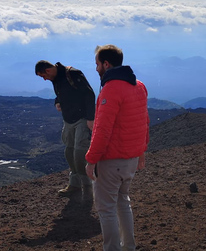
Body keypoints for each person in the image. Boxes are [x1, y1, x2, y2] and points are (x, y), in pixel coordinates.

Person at [84, 45, 149, 251]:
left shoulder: (111, 89)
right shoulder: (138, 86)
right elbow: (144, 122)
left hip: (112, 161)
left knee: (106, 209)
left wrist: (91, 160)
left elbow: (102, 130)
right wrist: (141, 152)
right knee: (123, 201)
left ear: (106, 64)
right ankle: (129, 247)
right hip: (130, 159)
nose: (95, 69)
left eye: (97, 64)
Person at [35, 59, 96, 197]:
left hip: (82, 118)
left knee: (79, 153)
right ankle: (74, 184)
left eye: (43, 76)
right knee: (69, 152)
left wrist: (90, 118)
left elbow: (89, 94)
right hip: (68, 120)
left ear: (48, 70)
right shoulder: (56, 78)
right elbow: (60, 93)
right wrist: (57, 102)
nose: (45, 79)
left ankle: (87, 186)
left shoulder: (72, 74)